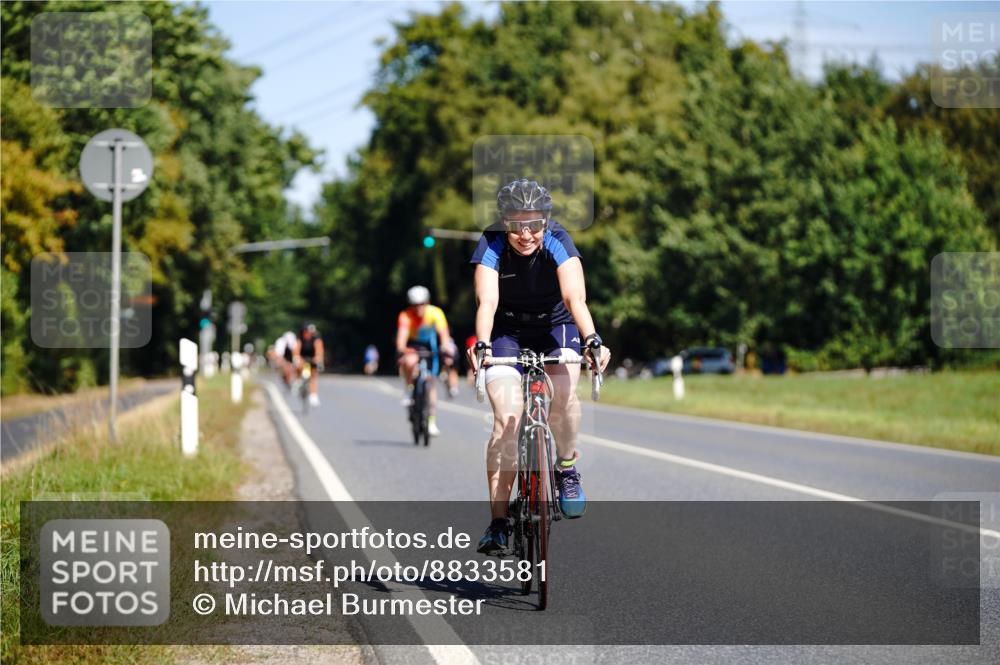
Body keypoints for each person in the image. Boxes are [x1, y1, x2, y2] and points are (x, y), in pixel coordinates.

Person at [467, 178, 610, 555]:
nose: (526, 234)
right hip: (507, 331)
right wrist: (481, 344)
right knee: (505, 420)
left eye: (534, 224)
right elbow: (487, 302)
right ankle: (498, 522)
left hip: (555, 326)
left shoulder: (559, 240)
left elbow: (574, 297)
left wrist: (592, 338)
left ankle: (566, 468)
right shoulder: (492, 242)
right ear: (505, 222)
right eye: (516, 224)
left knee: (562, 397)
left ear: (546, 221)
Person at [396, 285, 454, 437]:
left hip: (431, 346)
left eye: (421, 303)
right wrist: (402, 349)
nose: (418, 307)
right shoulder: (405, 315)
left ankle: (432, 422)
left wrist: (445, 348)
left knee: (431, 386)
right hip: (413, 345)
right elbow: (401, 338)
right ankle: (409, 390)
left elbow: (444, 334)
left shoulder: (435, 313)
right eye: (415, 304)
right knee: (409, 362)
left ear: (427, 302)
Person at [294, 323, 325, 406]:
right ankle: (298, 381)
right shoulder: (300, 339)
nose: (307, 334)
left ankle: (313, 395)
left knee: (313, 375)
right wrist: (297, 358)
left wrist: (318, 359)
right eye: (306, 332)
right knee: (298, 366)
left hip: (312, 358)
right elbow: (296, 350)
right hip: (302, 357)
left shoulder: (316, 339)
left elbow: (319, 350)